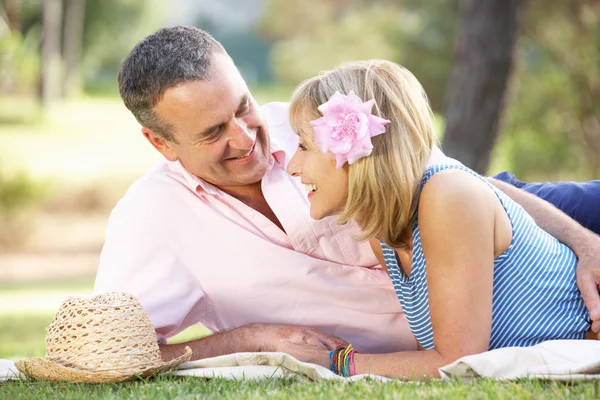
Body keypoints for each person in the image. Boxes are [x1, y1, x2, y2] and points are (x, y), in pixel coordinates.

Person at [93, 26, 600, 363]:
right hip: (453, 326)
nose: (247, 138)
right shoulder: (151, 220)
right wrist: (249, 339)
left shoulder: (316, 121)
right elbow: (111, 352)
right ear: (160, 142)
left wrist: (586, 244)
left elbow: (451, 180)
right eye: (212, 133)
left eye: (242, 107)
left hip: (520, 228)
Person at [279, 59, 599, 379]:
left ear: (358, 153)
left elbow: (457, 362)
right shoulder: (383, 233)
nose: (292, 166)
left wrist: (335, 363)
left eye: (305, 146)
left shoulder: (448, 196)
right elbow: (432, 359)